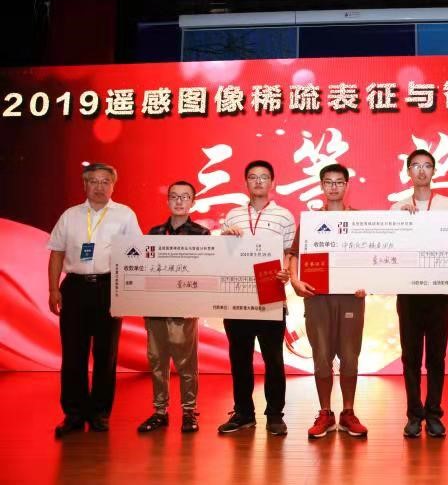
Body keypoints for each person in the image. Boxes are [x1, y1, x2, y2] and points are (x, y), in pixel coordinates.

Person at [48, 163, 142, 438]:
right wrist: (53, 289)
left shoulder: (125, 215)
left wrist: (126, 294)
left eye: (105, 181)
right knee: (73, 354)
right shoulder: (70, 215)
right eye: (93, 181)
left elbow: (137, 254)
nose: (99, 186)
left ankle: (100, 413)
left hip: (109, 287)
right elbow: (56, 253)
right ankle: (73, 414)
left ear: (113, 185)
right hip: (74, 288)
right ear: (85, 185)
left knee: (106, 354)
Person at [287, 163, 369, 438]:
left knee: (350, 356)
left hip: (351, 299)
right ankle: (325, 413)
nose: (334, 187)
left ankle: (348, 413)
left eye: (339, 182)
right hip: (317, 297)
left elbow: (371, 258)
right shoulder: (311, 222)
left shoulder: (359, 220)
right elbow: (294, 255)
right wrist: (295, 281)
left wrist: (367, 283)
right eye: (328, 182)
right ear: (321, 186)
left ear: (347, 185)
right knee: (321, 356)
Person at [217, 160, 295, 435]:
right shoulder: (233, 215)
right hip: (237, 295)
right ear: (246, 182)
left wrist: (287, 273)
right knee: (240, 359)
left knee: (273, 359)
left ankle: (275, 414)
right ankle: (243, 413)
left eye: (264, 177)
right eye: (253, 177)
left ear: (273, 182)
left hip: (271, 294)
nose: (258, 181)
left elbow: (290, 253)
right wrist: (226, 237)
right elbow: (222, 254)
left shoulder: (284, 215)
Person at [391, 149, 448, 438]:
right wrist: (401, 223)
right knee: (410, 358)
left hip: (438, 293)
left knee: (436, 358)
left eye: (427, 166)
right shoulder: (397, 208)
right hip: (408, 293)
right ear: (408, 171)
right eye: (416, 166)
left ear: (434, 171)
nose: (421, 170)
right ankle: (413, 414)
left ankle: (433, 414)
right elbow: (391, 248)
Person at [137, 181, 209, 434]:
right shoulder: (154, 233)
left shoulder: (201, 234)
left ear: (193, 202)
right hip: (156, 307)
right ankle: (160, 411)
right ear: (167, 201)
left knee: (186, 363)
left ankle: (189, 411)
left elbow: (206, 272)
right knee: (157, 360)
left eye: (185, 197)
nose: (179, 201)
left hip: (184, 308)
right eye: (174, 197)